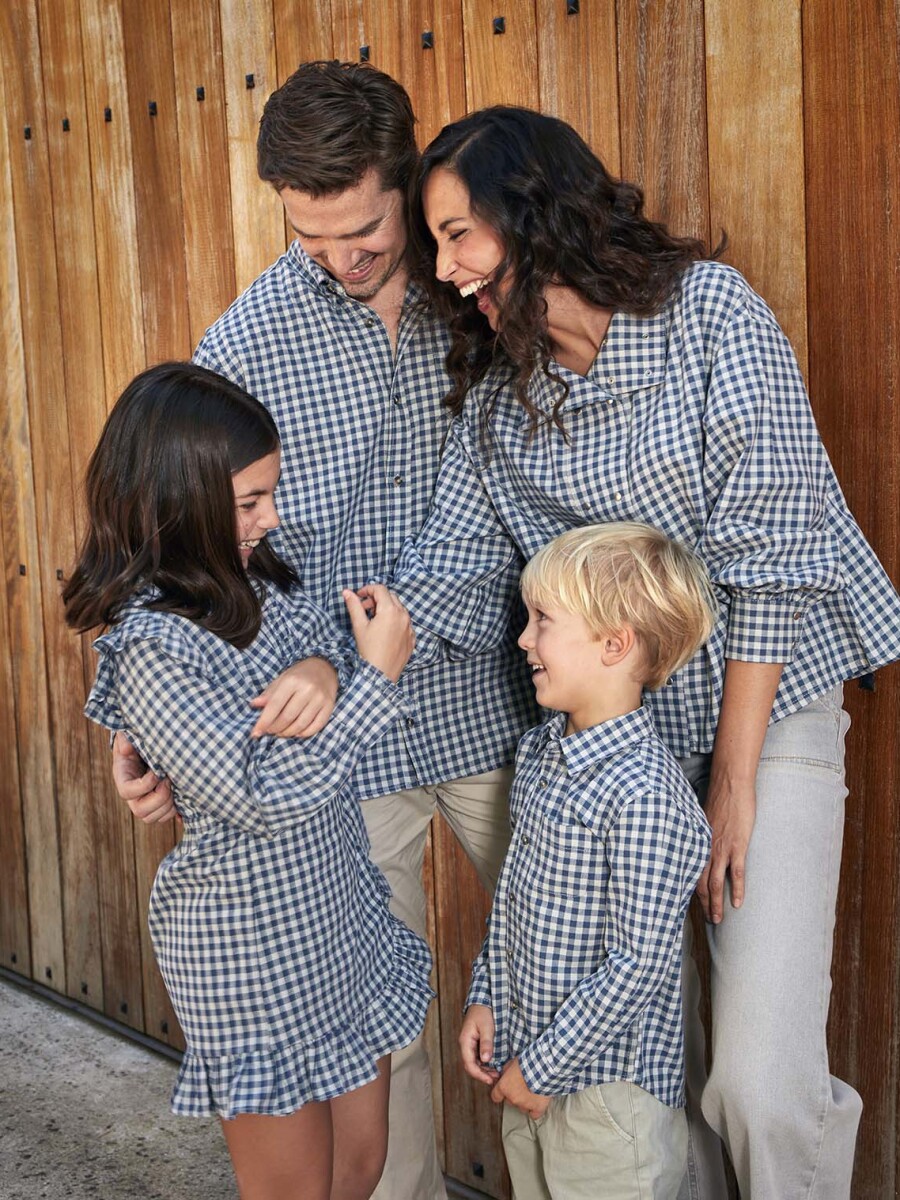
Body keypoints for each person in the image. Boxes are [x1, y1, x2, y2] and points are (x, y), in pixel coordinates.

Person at [387, 106, 900, 1198]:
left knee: (756, 1080)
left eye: (459, 234)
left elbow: (770, 561)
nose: (446, 269)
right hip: (618, 748)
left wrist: (734, 779)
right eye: (435, 243)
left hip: (771, 709)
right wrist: (326, 665)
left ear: (533, 210)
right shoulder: (500, 406)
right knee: (669, 1066)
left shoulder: (710, 318)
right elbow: (451, 577)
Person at [112, 63, 534, 1200]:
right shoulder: (249, 336)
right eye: (312, 239)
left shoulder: (485, 292)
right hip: (335, 743)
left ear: (408, 182)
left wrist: (363, 654)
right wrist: (154, 727)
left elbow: (496, 501)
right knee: (368, 1053)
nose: (343, 260)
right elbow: (188, 529)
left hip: (498, 701)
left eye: (361, 232)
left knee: (557, 994)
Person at [64, 362, 435, 1200]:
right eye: (248, 502)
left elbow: (327, 647)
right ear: (174, 497)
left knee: (361, 1166)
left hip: (339, 913)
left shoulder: (264, 571)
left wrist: (326, 667)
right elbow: (264, 797)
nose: (273, 517)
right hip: (250, 945)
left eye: (271, 493)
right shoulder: (155, 648)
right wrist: (372, 680)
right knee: (296, 1192)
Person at [460, 523, 716, 1200]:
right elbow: (513, 899)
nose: (523, 639)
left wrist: (543, 1068)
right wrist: (486, 996)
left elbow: (640, 963)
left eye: (542, 620)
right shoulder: (541, 754)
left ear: (615, 643)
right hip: (526, 1062)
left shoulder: (646, 795)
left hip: (610, 1099)